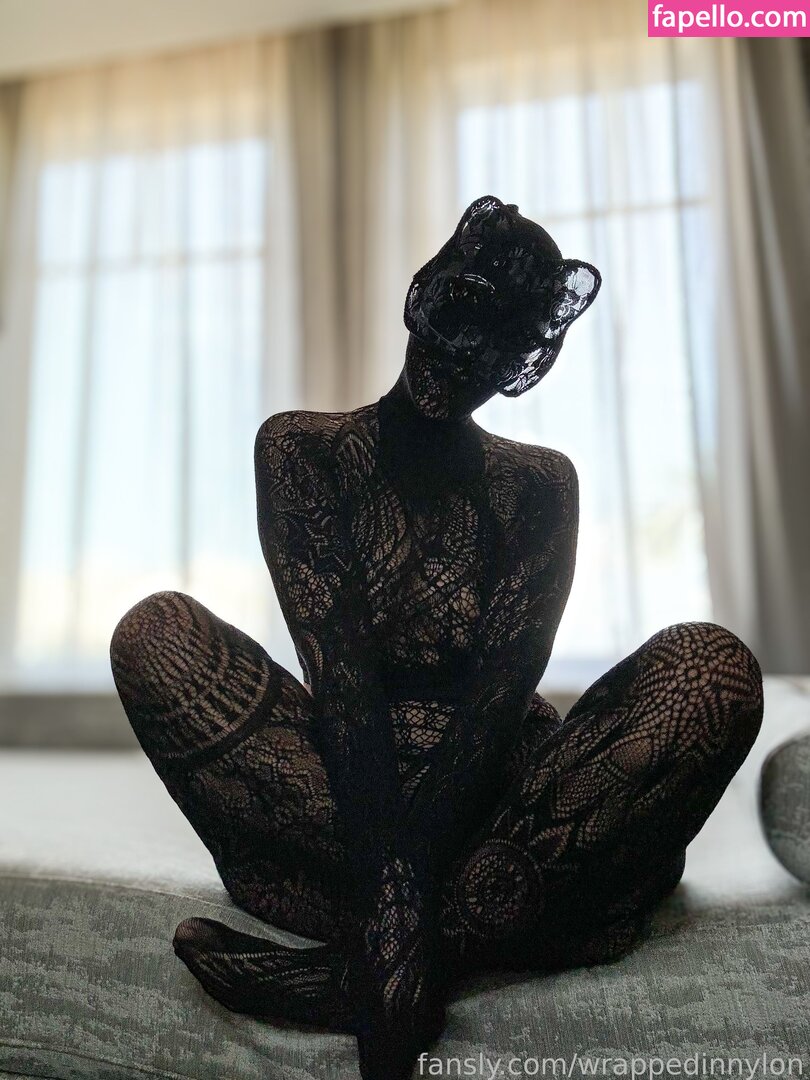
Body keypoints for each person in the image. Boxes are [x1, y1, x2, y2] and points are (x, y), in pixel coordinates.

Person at [111, 195, 763, 1080]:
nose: (462, 358)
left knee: (713, 668)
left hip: (501, 797)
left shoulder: (540, 484)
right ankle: (492, 918)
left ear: (523, 364)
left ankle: (347, 977)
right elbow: (342, 686)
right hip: (345, 788)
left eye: (497, 345)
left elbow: (497, 706)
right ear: (423, 296)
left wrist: (395, 938)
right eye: (459, 317)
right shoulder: (300, 449)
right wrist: (399, 893)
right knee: (154, 634)